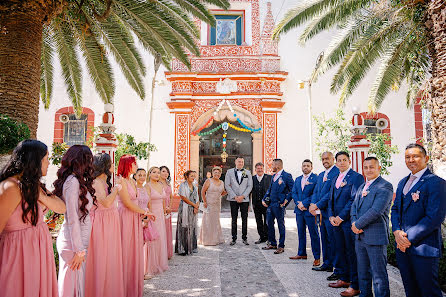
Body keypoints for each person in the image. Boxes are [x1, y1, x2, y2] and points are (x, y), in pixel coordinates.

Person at [0, 140, 65, 297]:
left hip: (37, 251)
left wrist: (40, 194)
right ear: (35, 160)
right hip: (18, 255)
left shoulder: (32, 185)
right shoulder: (11, 187)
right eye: (46, 158)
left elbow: (61, 208)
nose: (49, 163)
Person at [391, 143, 446, 297]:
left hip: (424, 248)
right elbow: (395, 209)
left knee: (429, 291)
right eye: (407, 157)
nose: (411, 160)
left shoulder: (436, 183)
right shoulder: (402, 182)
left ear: (426, 158)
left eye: (415, 156)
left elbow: (434, 217)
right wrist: (396, 232)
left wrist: (407, 238)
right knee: (411, 290)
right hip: (403, 248)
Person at [54, 145, 96, 297]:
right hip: (73, 244)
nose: (91, 163)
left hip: (77, 242)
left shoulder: (76, 180)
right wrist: (79, 249)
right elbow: (72, 217)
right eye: (89, 159)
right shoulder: (73, 182)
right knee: (70, 288)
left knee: (75, 286)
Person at [351, 157, 393, 297]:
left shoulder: (385, 186)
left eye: (371, 167)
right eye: (366, 167)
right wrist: (353, 223)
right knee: (363, 273)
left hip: (375, 237)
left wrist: (358, 224)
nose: (368, 170)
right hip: (360, 237)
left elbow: (376, 211)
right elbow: (354, 208)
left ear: (379, 168)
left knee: (378, 276)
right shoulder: (362, 186)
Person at [85, 153, 125, 297]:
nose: (113, 167)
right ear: (104, 166)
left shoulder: (104, 181)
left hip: (109, 221)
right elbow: (106, 202)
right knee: (103, 257)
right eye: (111, 164)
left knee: (110, 257)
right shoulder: (96, 182)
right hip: (102, 223)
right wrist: (116, 190)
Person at [116, 155, 155, 297]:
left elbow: (136, 202)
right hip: (125, 217)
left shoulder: (131, 181)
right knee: (126, 249)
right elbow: (127, 203)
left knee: (135, 249)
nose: (136, 165)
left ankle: (133, 285)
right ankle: (123, 286)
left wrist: (143, 215)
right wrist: (145, 212)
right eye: (134, 163)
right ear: (127, 165)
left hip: (134, 217)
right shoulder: (120, 181)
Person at [327, 151, 364, 297]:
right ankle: (344, 278)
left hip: (348, 222)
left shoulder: (356, 177)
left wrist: (340, 217)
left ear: (349, 161)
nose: (341, 162)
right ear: (336, 163)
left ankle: (355, 284)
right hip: (335, 222)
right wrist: (330, 216)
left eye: (344, 160)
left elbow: (354, 199)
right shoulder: (335, 177)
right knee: (339, 249)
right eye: (339, 160)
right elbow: (330, 199)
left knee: (351, 252)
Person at [309, 152, 340, 278]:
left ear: (333, 159)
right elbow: (316, 191)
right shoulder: (321, 175)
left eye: (327, 159)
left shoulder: (337, 173)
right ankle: (327, 263)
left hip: (331, 212)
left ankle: (337, 267)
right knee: (324, 238)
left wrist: (317, 205)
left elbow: (330, 193)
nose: (325, 161)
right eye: (322, 159)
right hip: (321, 213)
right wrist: (312, 204)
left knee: (334, 240)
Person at [290, 159, 321, 266]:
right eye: (304, 166)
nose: (305, 167)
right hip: (299, 211)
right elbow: (294, 192)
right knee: (301, 232)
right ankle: (302, 253)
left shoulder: (316, 178)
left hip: (310, 210)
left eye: (308, 166)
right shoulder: (298, 179)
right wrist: (298, 203)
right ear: (301, 167)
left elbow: (315, 193)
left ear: (311, 167)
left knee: (314, 234)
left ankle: (317, 257)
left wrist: (304, 203)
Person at [262, 159, 294, 254]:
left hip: (279, 205)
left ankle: (281, 246)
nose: (271, 166)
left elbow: (292, 190)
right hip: (271, 204)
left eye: (272, 165)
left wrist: (286, 200)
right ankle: (272, 243)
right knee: (269, 223)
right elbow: (270, 189)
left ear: (277, 165)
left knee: (281, 225)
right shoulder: (274, 176)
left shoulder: (287, 176)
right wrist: (264, 199)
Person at [144, 167, 169, 277]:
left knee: (161, 238)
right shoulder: (147, 186)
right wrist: (149, 215)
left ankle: (159, 262)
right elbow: (147, 202)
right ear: (149, 174)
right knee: (153, 238)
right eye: (154, 172)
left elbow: (163, 200)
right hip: (153, 215)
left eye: (158, 172)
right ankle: (150, 266)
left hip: (160, 215)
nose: (157, 174)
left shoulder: (161, 185)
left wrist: (164, 212)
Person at [224, 156, 253, 245]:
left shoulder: (247, 172)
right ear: (235, 162)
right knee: (234, 219)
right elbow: (227, 185)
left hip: (244, 199)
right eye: (239, 161)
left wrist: (243, 196)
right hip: (233, 199)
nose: (240, 163)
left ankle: (244, 238)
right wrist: (235, 196)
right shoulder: (229, 172)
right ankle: (234, 238)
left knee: (245, 219)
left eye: (242, 162)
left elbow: (250, 186)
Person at [199, 166, 226, 246]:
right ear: (212, 173)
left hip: (217, 204)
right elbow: (203, 191)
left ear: (220, 174)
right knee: (207, 221)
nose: (217, 174)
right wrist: (204, 201)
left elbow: (221, 193)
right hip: (209, 203)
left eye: (218, 173)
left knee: (215, 221)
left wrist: (227, 191)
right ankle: (207, 240)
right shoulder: (208, 181)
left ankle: (216, 239)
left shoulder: (222, 182)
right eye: (215, 172)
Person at [176, 170, 199, 255]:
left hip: (193, 209)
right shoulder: (183, 185)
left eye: (194, 176)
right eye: (191, 176)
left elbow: (197, 197)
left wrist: (196, 206)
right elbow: (183, 197)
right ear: (187, 176)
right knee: (184, 227)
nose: (193, 177)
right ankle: (182, 248)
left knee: (192, 227)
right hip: (185, 208)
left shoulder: (195, 186)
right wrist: (194, 205)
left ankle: (192, 247)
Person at [251, 162, 272, 244]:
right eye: (258, 168)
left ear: (263, 169)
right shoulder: (252, 178)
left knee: (267, 221)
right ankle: (261, 237)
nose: (259, 170)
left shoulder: (269, 177)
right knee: (258, 221)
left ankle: (268, 237)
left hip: (266, 203)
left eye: (261, 168)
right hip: (256, 204)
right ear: (255, 169)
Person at [159, 166, 174, 259]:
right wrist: (164, 208)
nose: (166, 173)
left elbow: (171, 196)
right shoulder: (157, 183)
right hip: (160, 208)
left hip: (168, 208)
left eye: (167, 172)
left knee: (167, 230)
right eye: (163, 171)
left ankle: (167, 252)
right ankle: (161, 253)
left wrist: (170, 207)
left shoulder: (168, 184)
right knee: (161, 229)